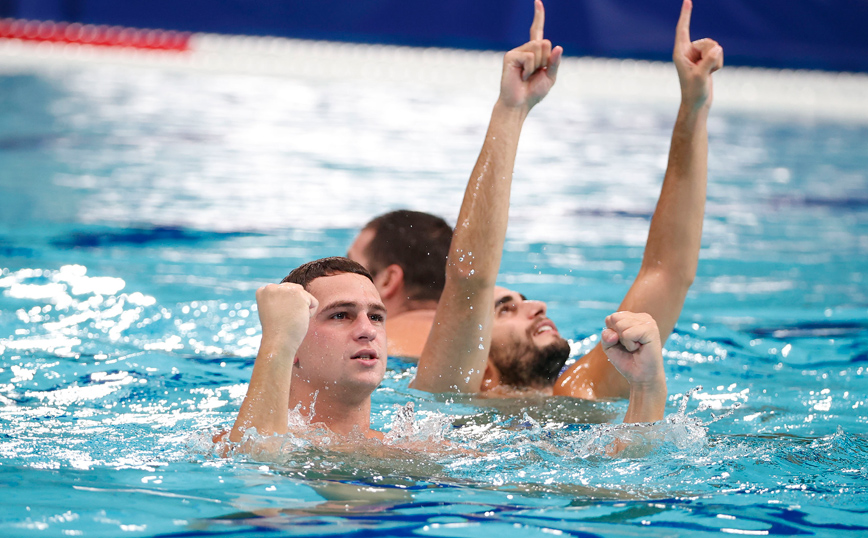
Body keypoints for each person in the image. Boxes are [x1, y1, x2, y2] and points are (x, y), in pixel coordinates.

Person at [412, 0, 723, 423]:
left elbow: (667, 272)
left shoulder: (583, 390)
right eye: (505, 309)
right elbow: (470, 277)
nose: (538, 305)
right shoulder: (449, 395)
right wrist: (511, 110)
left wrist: (694, 107)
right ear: (477, 361)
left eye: (520, 302)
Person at [346, 210, 452, 360]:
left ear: (387, 280)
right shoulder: (477, 342)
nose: (342, 278)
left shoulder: (364, 345)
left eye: (351, 269)